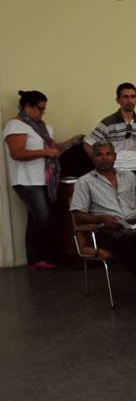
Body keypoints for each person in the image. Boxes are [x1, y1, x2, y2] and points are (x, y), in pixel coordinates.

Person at [70, 141, 136, 315]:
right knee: (128, 248)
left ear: (115, 156)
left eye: (108, 154)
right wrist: (102, 217)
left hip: (134, 224)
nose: (104, 158)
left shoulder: (129, 177)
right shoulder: (84, 182)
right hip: (106, 228)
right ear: (93, 158)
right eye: (99, 154)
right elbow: (78, 215)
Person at [3, 90, 83, 269]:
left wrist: (70, 142)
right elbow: (17, 153)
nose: (42, 113)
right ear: (27, 106)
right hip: (26, 180)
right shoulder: (15, 126)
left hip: (44, 180)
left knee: (36, 218)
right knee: (43, 217)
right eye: (39, 109)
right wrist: (45, 152)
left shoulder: (44, 127)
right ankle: (38, 257)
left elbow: (54, 149)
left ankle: (37, 259)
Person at [84, 82, 136, 197]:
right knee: (120, 206)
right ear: (118, 100)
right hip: (116, 169)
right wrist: (100, 162)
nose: (129, 100)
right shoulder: (108, 122)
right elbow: (87, 144)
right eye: (125, 97)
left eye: (133, 97)